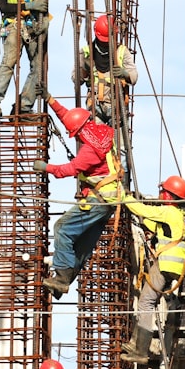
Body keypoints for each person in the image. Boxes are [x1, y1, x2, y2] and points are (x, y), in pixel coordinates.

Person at [36, 95, 124, 296]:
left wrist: (45, 167)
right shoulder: (100, 133)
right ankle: (64, 279)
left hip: (98, 200)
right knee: (83, 244)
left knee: (62, 228)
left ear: (79, 132)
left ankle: (62, 277)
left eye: (74, 134)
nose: (74, 137)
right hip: (108, 201)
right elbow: (70, 117)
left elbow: (68, 169)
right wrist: (50, 100)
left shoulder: (89, 151)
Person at [120, 176, 185, 364]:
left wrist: (124, 197)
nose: (160, 194)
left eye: (163, 191)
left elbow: (143, 209)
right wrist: (141, 221)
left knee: (146, 303)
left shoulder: (168, 211)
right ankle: (136, 342)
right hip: (175, 267)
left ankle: (141, 351)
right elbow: (157, 226)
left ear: (168, 195)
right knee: (149, 300)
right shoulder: (182, 216)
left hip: (165, 264)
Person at [73, 13, 137, 125]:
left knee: (120, 142)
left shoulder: (122, 51)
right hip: (95, 107)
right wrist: (84, 70)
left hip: (117, 107)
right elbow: (76, 80)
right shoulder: (86, 53)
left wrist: (124, 74)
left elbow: (134, 77)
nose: (105, 43)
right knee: (97, 140)